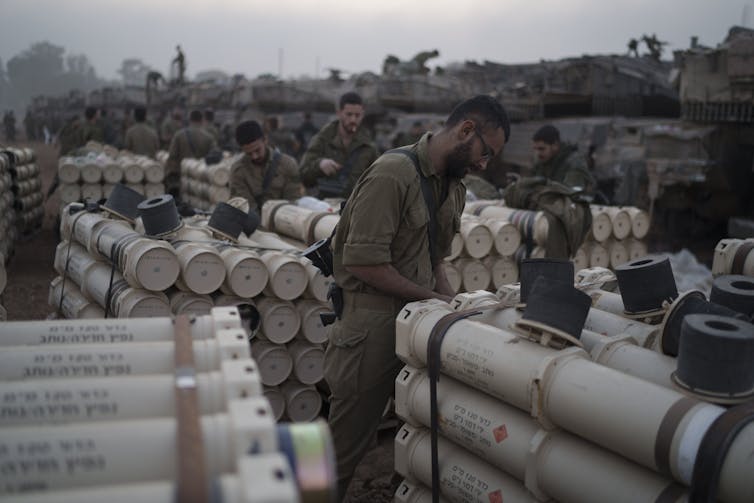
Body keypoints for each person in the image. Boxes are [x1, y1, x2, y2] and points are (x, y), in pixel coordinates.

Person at [324, 95, 510, 500]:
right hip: (371, 329)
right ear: (465, 131)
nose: (484, 164)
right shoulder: (393, 174)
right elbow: (363, 263)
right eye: (486, 151)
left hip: (420, 325)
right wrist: (432, 299)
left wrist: (455, 308)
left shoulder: (453, 186)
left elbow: (433, 259)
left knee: (421, 439)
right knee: (339, 450)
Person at [299, 92, 378, 199]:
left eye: (357, 115)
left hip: (355, 206)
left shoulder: (369, 146)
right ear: (339, 113)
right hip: (324, 206)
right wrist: (319, 165)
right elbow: (303, 174)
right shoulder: (322, 140)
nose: (353, 120)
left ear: (363, 114)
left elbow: (378, 180)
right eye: (349, 114)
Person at [229, 120, 302, 212]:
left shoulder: (288, 164)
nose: (254, 156)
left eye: (257, 150)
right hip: (253, 223)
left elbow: (293, 200)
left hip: (284, 219)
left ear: (265, 140)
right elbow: (244, 206)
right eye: (249, 153)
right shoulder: (238, 171)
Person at [164, 109, 217, 199]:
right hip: (201, 178)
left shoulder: (179, 135)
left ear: (189, 119)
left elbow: (172, 156)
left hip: (182, 176)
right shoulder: (209, 137)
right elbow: (215, 157)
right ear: (201, 120)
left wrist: (169, 175)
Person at [531, 124, 595, 196]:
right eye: (535, 149)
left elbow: (573, 194)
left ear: (555, 145)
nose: (537, 153)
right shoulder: (542, 163)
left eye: (541, 149)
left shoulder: (574, 163)